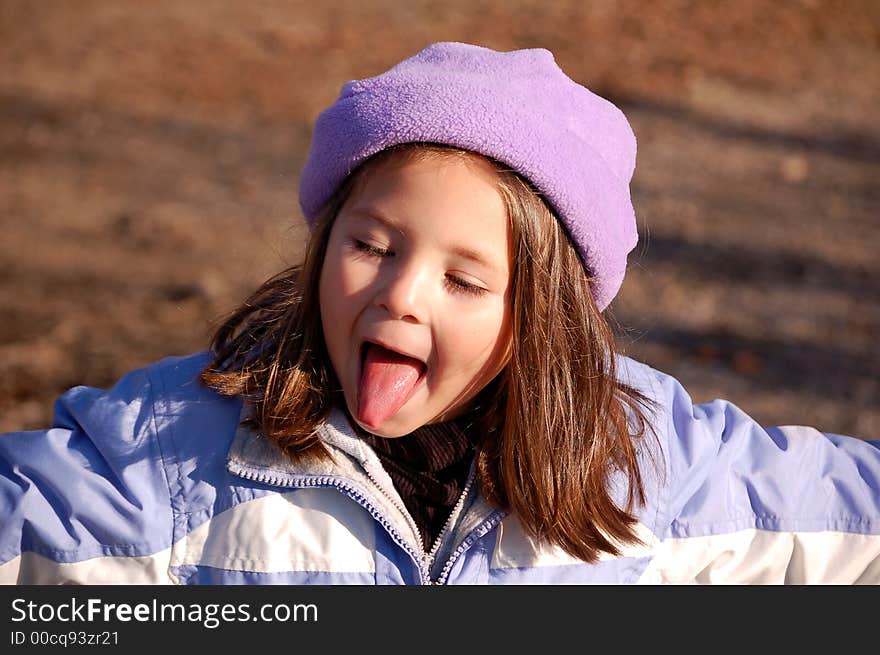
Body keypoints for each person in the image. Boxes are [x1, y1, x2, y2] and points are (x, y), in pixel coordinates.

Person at [1, 41, 878, 585]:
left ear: (544, 320)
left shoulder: (642, 466)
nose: (401, 294)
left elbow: (838, 520)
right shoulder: (177, 452)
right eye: (372, 246)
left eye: (464, 281)